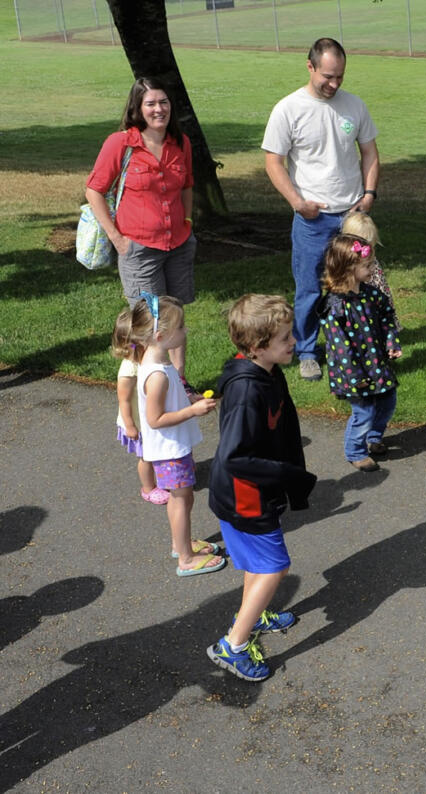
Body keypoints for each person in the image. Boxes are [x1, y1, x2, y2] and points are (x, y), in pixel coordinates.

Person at [207, 294, 318, 682]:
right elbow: (236, 456)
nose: (294, 343)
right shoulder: (246, 391)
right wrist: (288, 476)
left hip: (248, 493)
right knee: (275, 566)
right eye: (286, 338)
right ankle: (232, 646)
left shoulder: (267, 371)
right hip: (245, 498)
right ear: (257, 347)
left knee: (259, 564)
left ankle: (254, 613)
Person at [263, 37, 380, 382]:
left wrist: (369, 193)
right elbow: (273, 162)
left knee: (355, 283)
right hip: (312, 218)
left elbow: (370, 153)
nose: (333, 84)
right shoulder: (288, 109)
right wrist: (298, 203)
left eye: (339, 77)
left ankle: (353, 342)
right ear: (310, 66)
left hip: (351, 217)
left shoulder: (354, 106)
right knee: (310, 288)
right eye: (327, 76)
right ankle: (308, 352)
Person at [87, 78, 197, 384]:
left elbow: (187, 185)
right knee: (148, 320)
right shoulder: (120, 144)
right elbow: (94, 190)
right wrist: (117, 238)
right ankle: (147, 383)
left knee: (175, 315)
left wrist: (187, 222)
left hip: (178, 243)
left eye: (163, 102)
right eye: (150, 103)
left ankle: (179, 381)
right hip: (138, 248)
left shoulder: (181, 143)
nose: (158, 109)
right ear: (137, 108)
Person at [131, 294, 224, 577]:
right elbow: (155, 419)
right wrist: (193, 411)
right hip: (169, 449)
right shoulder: (156, 375)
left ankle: (180, 542)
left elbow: (168, 402)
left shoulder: (158, 363)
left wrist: (188, 399)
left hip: (172, 447)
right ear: (160, 335)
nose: (185, 332)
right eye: (181, 328)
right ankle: (185, 557)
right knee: (181, 499)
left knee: (182, 497)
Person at [319, 233, 402, 473]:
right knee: (363, 411)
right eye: (367, 265)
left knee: (388, 401)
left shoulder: (372, 294)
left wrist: (391, 342)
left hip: (376, 361)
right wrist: (355, 376)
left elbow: (387, 317)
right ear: (347, 269)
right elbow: (339, 345)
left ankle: (373, 437)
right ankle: (355, 450)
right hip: (352, 370)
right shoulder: (335, 304)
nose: (372, 268)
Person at [111, 307, 168, 507]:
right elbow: (124, 399)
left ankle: (163, 477)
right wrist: (130, 425)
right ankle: (148, 488)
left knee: (157, 450)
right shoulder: (129, 368)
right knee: (147, 456)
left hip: (150, 418)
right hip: (137, 422)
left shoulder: (149, 359)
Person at [340, 209, 400, 331]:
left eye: (370, 244)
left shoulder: (372, 264)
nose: (367, 249)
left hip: (375, 298)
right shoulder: (346, 263)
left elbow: (380, 287)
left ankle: (383, 328)